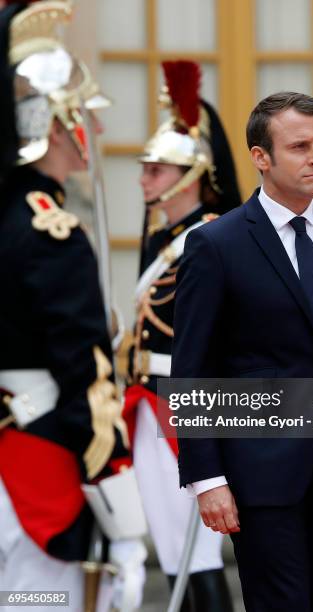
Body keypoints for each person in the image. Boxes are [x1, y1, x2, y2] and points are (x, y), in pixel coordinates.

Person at [171, 91, 313, 612]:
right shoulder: (216, 244)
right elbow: (193, 370)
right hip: (260, 474)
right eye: (300, 146)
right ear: (261, 157)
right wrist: (208, 480)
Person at [0, 2, 146, 610]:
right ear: (55, 122)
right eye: (85, 112)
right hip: (42, 475)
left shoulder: (10, 222)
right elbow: (89, 384)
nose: (98, 128)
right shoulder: (51, 232)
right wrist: (126, 525)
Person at [123, 60, 241, 611]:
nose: (144, 178)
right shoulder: (160, 240)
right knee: (172, 548)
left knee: (196, 552)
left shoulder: (212, 238)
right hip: (147, 400)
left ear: (191, 174)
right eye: (145, 167)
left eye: (156, 169)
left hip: (184, 405)